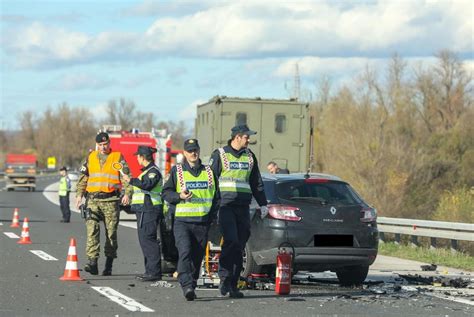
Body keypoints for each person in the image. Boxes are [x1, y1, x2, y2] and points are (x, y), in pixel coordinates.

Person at [209, 124, 268, 298]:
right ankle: (225, 279)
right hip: (225, 206)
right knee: (231, 241)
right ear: (237, 137)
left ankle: (233, 284)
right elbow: (211, 181)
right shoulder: (219, 154)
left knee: (240, 245)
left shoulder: (250, 156)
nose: (249, 139)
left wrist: (263, 203)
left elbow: (256, 182)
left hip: (243, 207)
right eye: (246, 137)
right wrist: (212, 206)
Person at [162, 139, 218, 301]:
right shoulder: (177, 171)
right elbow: (166, 193)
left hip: (202, 222)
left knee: (197, 256)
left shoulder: (209, 171)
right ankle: (186, 284)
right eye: (190, 151)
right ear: (184, 153)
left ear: (199, 151)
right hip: (183, 222)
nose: (193, 153)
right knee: (185, 252)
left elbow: (216, 198)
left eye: (195, 150)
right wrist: (179, 196)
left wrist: (212, 217)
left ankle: (191, 284)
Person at [75, 132, 132, 276]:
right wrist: (79, 195)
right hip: (93, 200)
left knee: (111, 234)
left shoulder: (117, 157)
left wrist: (127, 193)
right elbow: (83, 177)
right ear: (97, 145)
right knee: (92, 230)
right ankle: (92, 263)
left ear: (109, 143)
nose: (103, 147)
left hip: (111, 201)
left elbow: (126, 177)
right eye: (100, 145)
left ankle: (109, 264)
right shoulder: (90, 157)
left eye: (105, 144)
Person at [121, 146, 163, 282]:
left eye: (138, 156)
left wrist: (131, 180)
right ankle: (149, 271)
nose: (137, 159)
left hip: (149, 210)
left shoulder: (153, 172)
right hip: (143, 210)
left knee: (149, 241)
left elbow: (148, 185)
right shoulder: (146, 172)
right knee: (145, 241)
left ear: (142, 157)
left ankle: (154, 272)